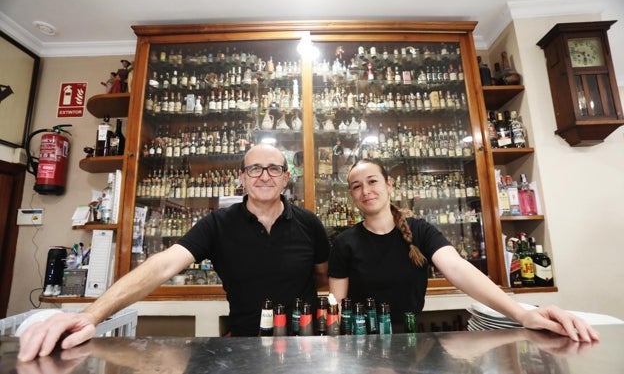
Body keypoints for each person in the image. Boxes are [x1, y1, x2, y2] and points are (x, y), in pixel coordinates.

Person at [18, 144, 330, 361]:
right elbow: (163, 265)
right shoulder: (218, 224)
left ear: (286, 177)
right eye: (255, 169)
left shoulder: (309, 223)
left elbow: (321, 276)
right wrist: (90, 315)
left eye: (274, 169)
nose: (265, 176)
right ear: (242, 178)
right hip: (245, 347)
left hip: (305, 344)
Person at [328, 158, 599, 342]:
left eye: (373, 181)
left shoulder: (419, 231)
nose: (366, 190)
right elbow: (337, 305)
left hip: (410, 341)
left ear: (389, 185)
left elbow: (457, 268)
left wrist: (521, 314)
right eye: (356, 186)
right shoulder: (344, 242)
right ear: (352, 196)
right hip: (360, 341)